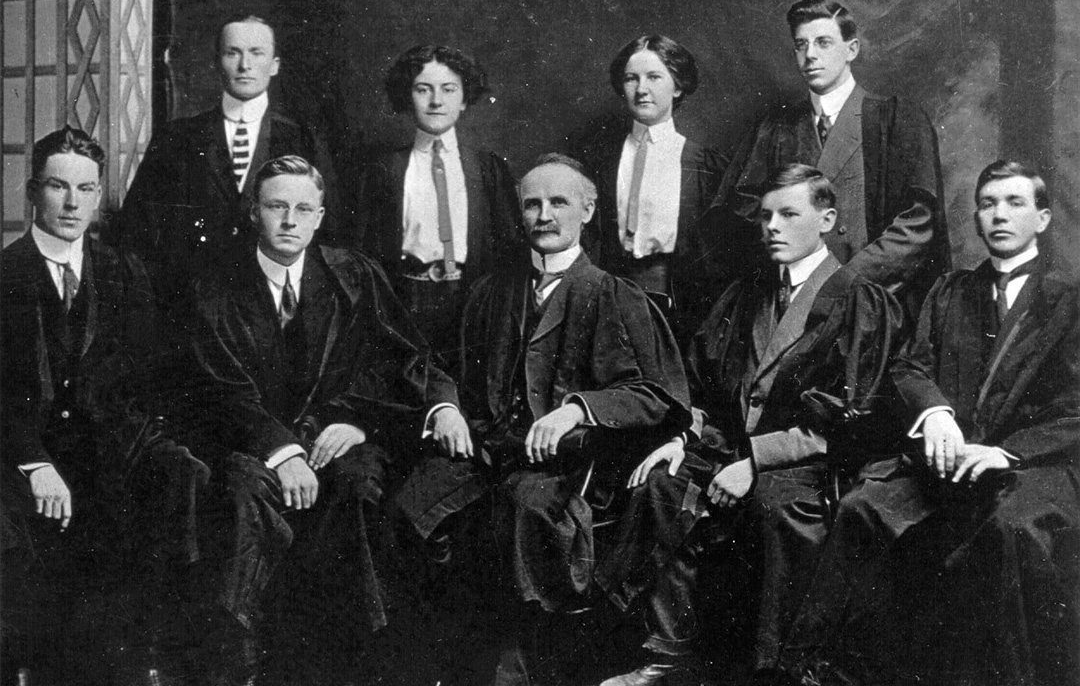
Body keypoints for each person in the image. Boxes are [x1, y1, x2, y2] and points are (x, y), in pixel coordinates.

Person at [595, 164, 907, 685]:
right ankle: (667, 655)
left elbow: (852, 417)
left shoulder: (859, 299)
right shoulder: (746, 294)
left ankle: (779, 669)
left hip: (808, 462)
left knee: (773, 505)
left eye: (789, 214)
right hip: (729, 447)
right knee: (662, 483)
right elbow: (700, 385)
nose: (772, 227)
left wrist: (755, 461)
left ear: (827, 219)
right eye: (765, 216)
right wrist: (682, 438)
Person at [393, 154, 691, 684]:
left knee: (523, 509)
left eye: (559, 202)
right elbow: (434, 360)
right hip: (483, 452)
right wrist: (446, 408)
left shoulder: (611, 294)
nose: (544, 215)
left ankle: (519, 666)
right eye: (532, 203)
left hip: (566, 467)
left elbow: (658, 395)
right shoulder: (488, 291)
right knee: (412, 503)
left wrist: (579, 408)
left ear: (588, 210)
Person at [183, 155, 467, 683]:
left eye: (302, 209)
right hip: (252, 440)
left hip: (337, 435)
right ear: (253, 212)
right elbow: (220, 388)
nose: (289, 220)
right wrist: (284, 452)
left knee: (360, 484)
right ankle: (239, 662)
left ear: (319, 217)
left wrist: (357, 422)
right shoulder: (216, 286)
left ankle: (354, 659)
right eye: (276, 206)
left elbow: (401, 359)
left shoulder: (352, 275)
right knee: (246, 493)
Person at [0, 127, 208, 684]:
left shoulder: (125, 270)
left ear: (98, 196)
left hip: (105, 451)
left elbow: (142, 377)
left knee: (174, 477)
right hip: (23, 454)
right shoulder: (5, 275)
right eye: (58, 187)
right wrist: (36, 463)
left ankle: (149, 661)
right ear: (32, 191)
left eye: (85, 189)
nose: (71, 204)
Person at [883, 161, 1079, 686]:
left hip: (1039, 466)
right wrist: (935, 413)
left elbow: (1077, 405)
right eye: (988, 203)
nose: (999, 215)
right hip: (948, 461)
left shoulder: (1071, 300)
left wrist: (1009, 451)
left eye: (1015, 203)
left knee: (1009, 530)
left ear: (1041, 218)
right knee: (866, 510)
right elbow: (910, 365)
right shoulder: (950, 291)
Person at [716, 0, 948, 316]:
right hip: (788, 301)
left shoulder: (895, 120)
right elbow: (742, 207)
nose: (810, 55)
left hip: (872, 302)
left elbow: (919, 221)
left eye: (823, 42)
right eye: (801, 45)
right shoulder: (775, 128)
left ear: (851, 49)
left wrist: (845, 283)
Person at [114, 14, 341, 305]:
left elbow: (330, 231)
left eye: (256, 53)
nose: (244, 65)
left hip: (271, 303)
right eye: (233, 53)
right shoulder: (177, 138)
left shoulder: (303, 139)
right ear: (216, 62)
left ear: (274, 65)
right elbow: (136, 230)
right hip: (189, 306)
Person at [357, 44, 519, 364]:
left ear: (463, 99)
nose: (436, 101)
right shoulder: (383, 169)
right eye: (423, 89)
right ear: (407, 96)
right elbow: (363, 250)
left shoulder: (487, 169)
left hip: (470, 301)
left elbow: (509, 247)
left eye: (448, 89)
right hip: (404, 301)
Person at [590, 34, 725, 342]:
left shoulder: (703, 163)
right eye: (631, 79)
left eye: (654, 77)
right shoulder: (602, 159)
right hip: (612, 294)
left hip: (677, 299)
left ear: (677, 86)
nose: (641, 89)